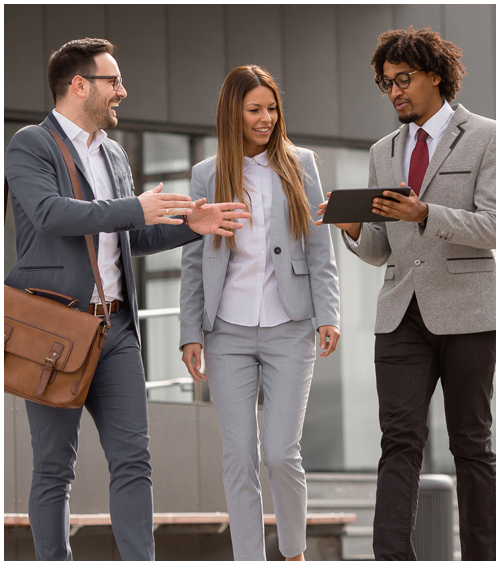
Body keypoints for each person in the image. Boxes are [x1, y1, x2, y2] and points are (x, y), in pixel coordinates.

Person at [4, 38, 250, 561]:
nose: (122, 91)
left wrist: (192, 225)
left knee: (134, 460)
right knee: (53, 467)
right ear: (78, 86)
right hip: (53, 330)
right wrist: (134, 209)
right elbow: (52, 214)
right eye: (112, 81)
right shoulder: (30, 144)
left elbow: (128, 234)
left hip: (115, 333)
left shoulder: (113, 153)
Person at [317, 26, 495, 561]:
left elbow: (491, 228)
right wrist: (350, 228)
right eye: (385, 83)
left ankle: (483, 555)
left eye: (403, 79)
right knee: (398, 441)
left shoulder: (486, 136)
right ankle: (392, 557)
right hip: (399, 316)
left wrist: (424, 213)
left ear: (435, 76)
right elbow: (381, 249)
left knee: (471, 445)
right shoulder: (383, 151)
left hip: (467, 313)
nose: (394, 91)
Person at [180, 65, 340, 561]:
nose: (266, 118)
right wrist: (191, 332)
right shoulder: (207, 173)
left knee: (279, 452)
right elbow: (193, 257)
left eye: (272, 108)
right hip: (226, 331)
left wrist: (327, 313)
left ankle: (293, 554)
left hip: (289, 326)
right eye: (255, 109)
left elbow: (320, 244)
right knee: (239, 457)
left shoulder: (301, 163)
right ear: (234, 112)